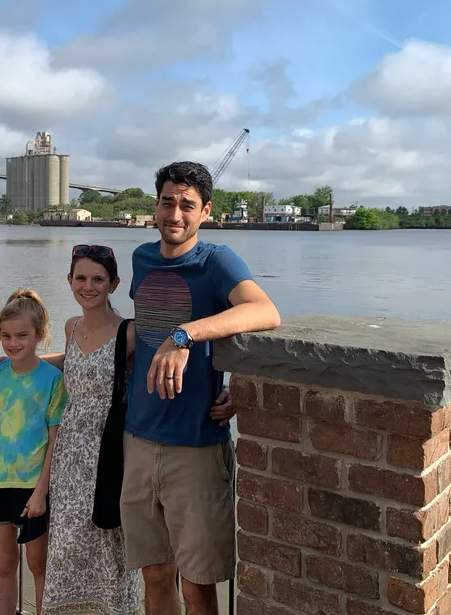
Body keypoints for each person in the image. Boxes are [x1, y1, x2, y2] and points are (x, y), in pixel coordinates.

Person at [122, 161, 281, 615]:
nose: (175, 214)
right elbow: (139, 333)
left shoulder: (216, 261)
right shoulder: (141, 258)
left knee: (197, 585)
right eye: (167, 202)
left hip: (194, 447)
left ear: (206, 211)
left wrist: (185, 335)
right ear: (155, 206)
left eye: (187, 205)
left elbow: (265, 312)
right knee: (154, 575)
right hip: (137, 439)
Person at [42, 244, 143, 615]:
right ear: (69, 281)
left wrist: (224, 393)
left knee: (106, 540)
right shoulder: (71, 326)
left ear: (113, 284)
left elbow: (160, 371)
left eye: (98, 279)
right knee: (67, 543)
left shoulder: (130, 333)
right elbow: (71, 362)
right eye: (81, 278)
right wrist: (14, 362)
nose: (88, 287)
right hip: (70, 451)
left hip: (107, 453)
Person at [0, 290, 67, 615]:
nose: (13, 343)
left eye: (22, 335)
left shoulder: (53, 380)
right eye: (6, 336)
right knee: (3, 566)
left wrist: (42, 491)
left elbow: (55, 439)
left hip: (32, 488)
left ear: (39, 335)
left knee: (38, 566)